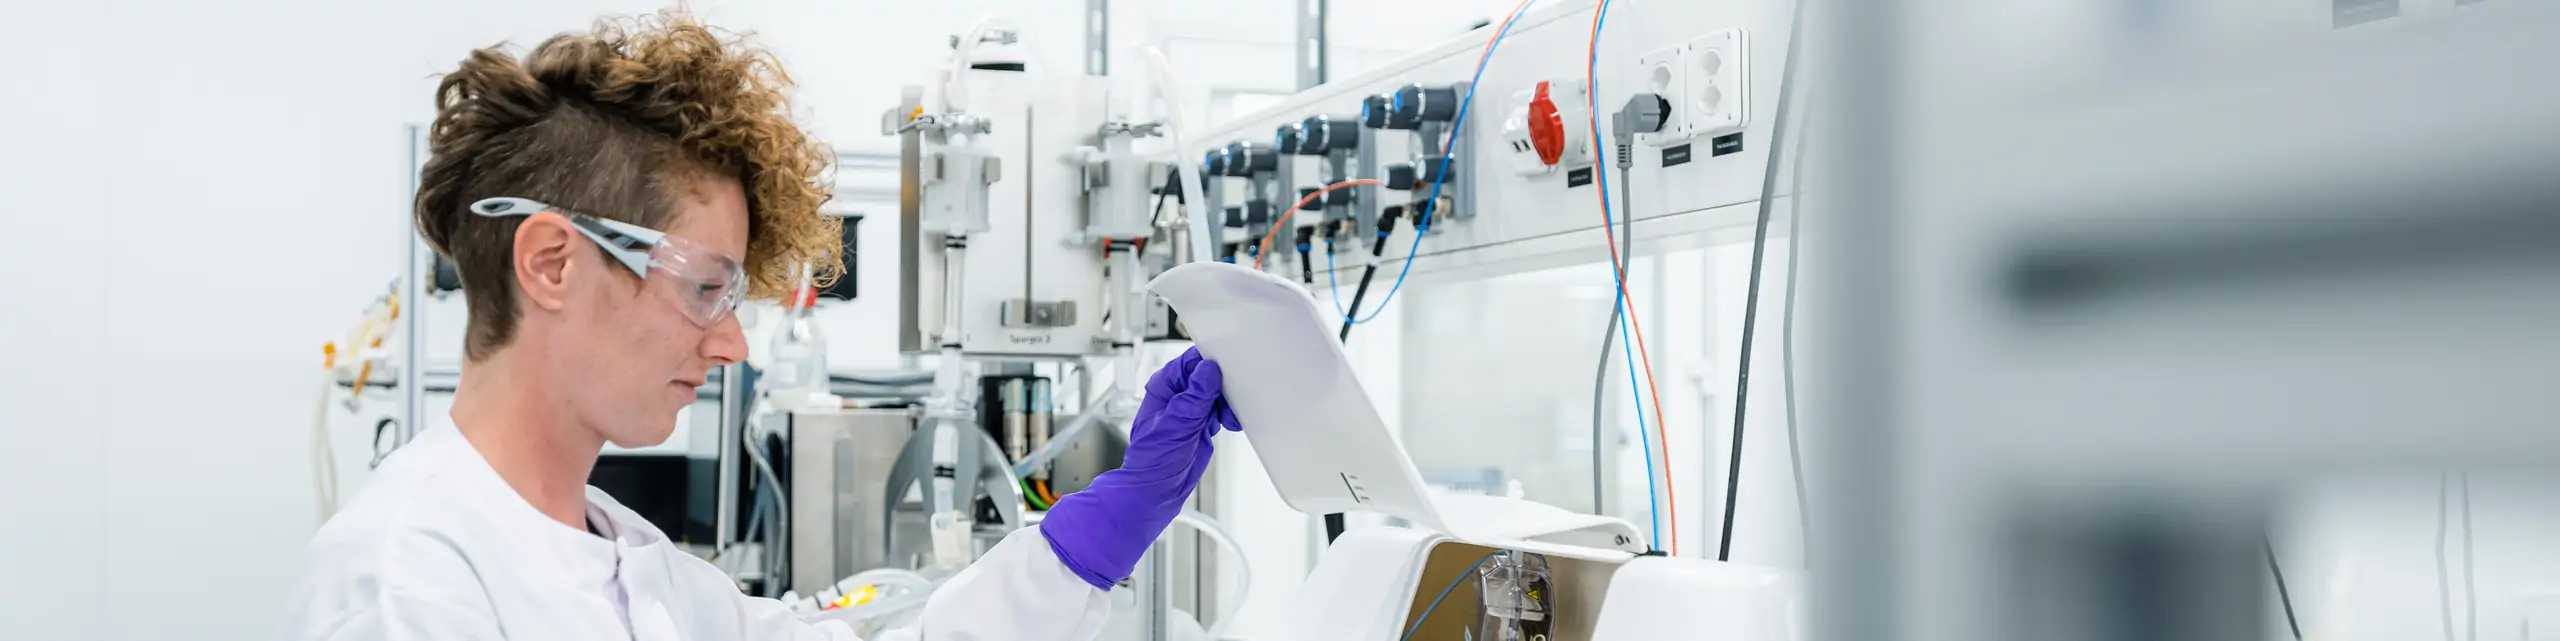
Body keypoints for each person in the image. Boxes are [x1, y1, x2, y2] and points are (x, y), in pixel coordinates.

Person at [276, 11, 1242, 640]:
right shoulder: (407, 583)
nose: (732, 343)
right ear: (551, 262)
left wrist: (1099, 528)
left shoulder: (630, 560)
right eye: (703, 289)